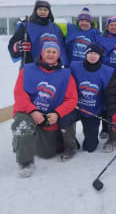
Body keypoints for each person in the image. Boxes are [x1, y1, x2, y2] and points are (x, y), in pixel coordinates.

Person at [11, 41, 78, 178]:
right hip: (28, 112)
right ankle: (25, 161)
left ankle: (27, 141)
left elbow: (71, 100)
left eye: (54, 52)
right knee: (22, 124)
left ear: (58, 55)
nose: (51, 55)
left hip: (50, 117)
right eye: (48, 51)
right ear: (42, 53)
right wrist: (32, 111)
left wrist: (57, 113)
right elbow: (19, 93)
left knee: (46, 153)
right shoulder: (27, 69)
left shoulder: (66, 75)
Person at [69, 42, 116, 154]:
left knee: (90, 147)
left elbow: (111, 96)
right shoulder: (74, 67)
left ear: (100, 56)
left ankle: (112, 139)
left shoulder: (107, 72)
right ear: (85, 54)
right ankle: (70, 143)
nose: (92, 56)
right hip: (76, 107)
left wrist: (114, 115)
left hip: (93, 110)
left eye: (95, 53)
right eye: (90, 53)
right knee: (64, 119)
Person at [8, 0, 69, 66]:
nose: (42, 11)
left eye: (45, 10)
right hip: (31, 67)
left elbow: (62, 47)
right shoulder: (25, 26)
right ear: (35, 11)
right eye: (40, 9)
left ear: (49, 12)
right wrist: (17, 47)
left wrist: (65, 64)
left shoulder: (56, 28)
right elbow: (12, 45)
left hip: (53, 68)